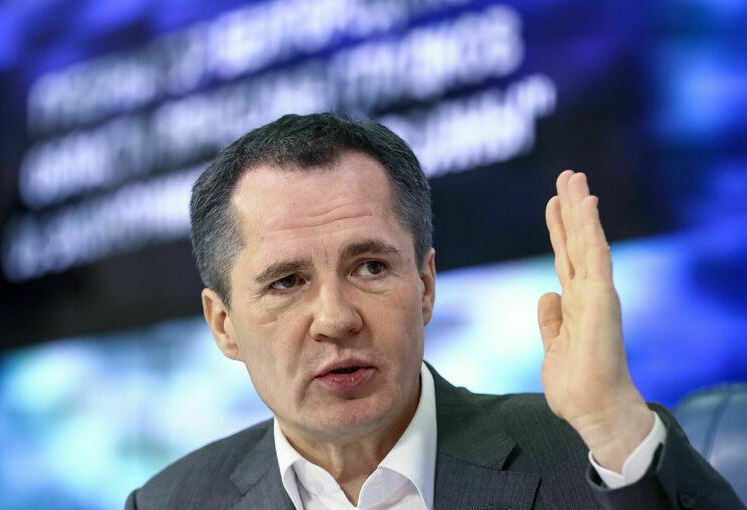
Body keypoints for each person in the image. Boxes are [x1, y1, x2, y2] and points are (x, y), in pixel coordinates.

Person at [125, 113, 743, 509]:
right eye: (287, 282)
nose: (336, 319)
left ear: (425, 285)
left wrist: (613, 427)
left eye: (371, 267)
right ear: (224, 325)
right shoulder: (168, 503)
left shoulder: (589, 455)